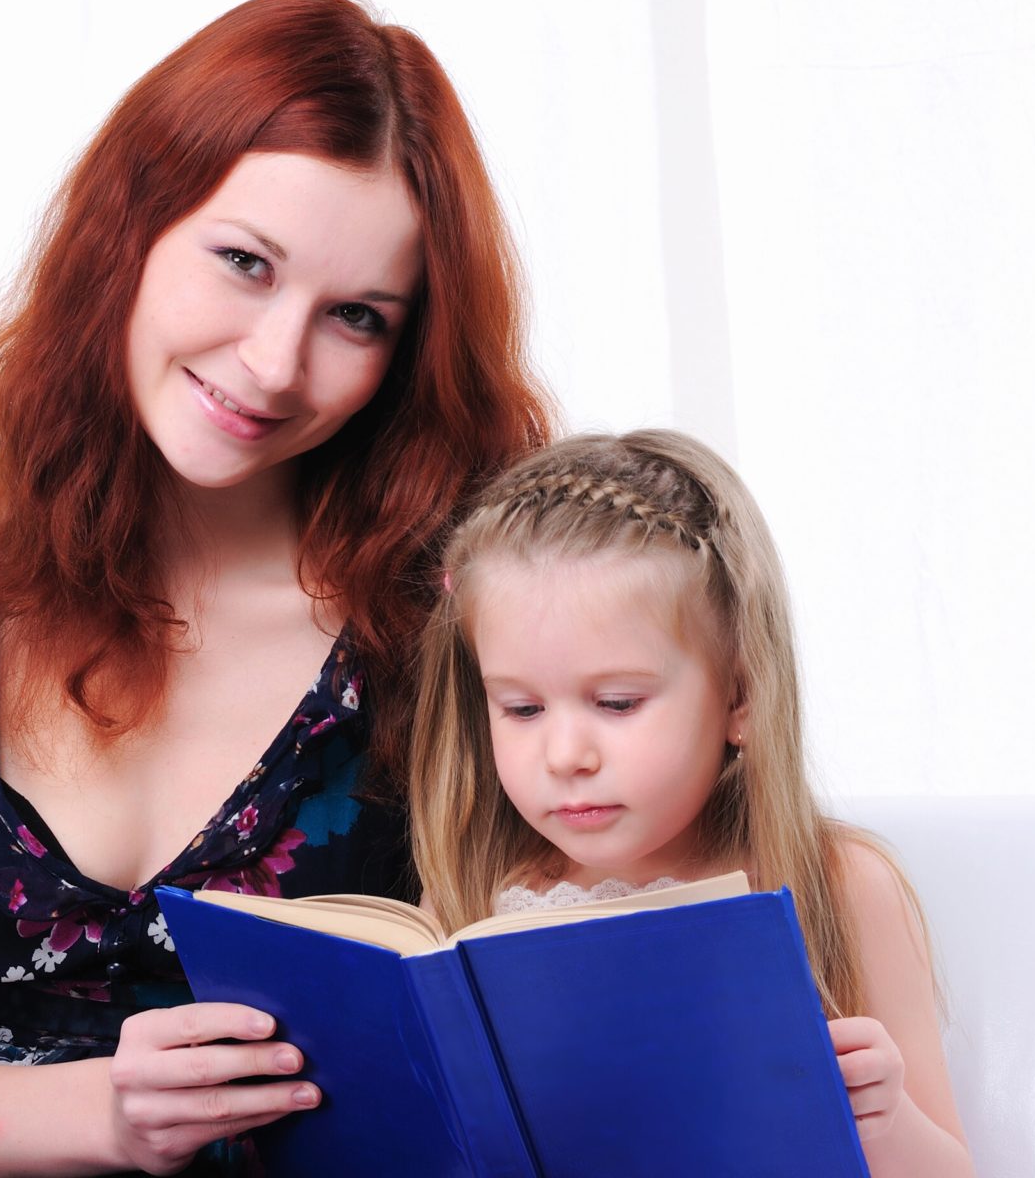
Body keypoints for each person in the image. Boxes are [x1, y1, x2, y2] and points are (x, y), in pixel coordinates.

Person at [0, 0, 552, 1177]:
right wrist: (104, 1115)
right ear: (128, 226)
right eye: (242, 262)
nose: (274, 362)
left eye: (356, 318)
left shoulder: (450, 616)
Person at [408, 431, 976, 1177]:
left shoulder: (839, 884)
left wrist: (887, 1117)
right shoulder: (477, 895)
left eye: (616, 703)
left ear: (739, 696)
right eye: (521, 709)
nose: (565, 755)